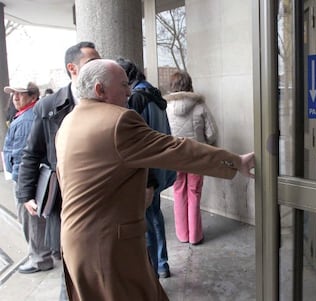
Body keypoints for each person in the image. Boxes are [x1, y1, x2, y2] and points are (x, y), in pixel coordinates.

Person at [55, 59, 255, 301]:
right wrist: (235, 161)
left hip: (76, 241)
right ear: (100, 90)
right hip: (107, 247)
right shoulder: (118, 121)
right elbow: (178, 150)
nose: (130, 91)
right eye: (124, 85)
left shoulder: (69, 122)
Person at [17, 42, 100, 298]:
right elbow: (32, 152)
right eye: (91, 62)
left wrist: (148, 182)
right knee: (71, 269)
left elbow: (135, 145)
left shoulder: (109, 99)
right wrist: (25, 194)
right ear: (72, 68)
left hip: (103, 200)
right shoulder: (48, 106)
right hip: (65, 203)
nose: (98, 66)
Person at [116, 57, 175, 278]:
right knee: (155, 216)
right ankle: (162, 263)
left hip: (145, 172)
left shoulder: (137, 98)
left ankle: (153, 267)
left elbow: (135, 141)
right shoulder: (154, 95)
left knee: (146, 220)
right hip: (159, 167)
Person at [164, 70, 218, 245]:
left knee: (179, 193)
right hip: (196, 156)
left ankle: (182, 235)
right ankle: (195, 236)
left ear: (172, 86)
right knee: (194, 193)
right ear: (189, 84)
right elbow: (211, 133)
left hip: (174, 157)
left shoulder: (165, 108)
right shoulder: (200, 106)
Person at [2, 82, 47, 273]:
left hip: (27, 179)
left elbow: (22, 157)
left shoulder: (26, 120)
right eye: (14, 94)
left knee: (31, 220)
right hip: (33, 178)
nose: (15, 98)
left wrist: (23, 191)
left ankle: (40, 259)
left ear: (33, 96)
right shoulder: (26, 116)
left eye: (20, 94)